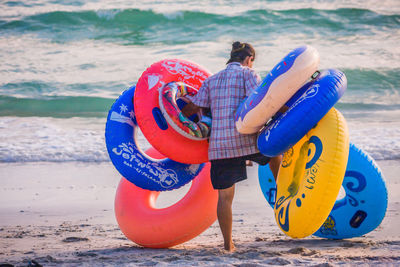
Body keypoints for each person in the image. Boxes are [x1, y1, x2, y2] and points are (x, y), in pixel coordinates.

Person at [182, 41, 282, 252]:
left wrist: (174, 115)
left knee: (225, 198)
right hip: (247, 141)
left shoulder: (211, 80)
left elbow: (193, 107)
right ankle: (281, 186)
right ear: (249, 59)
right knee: (276, 150)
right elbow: (259, 101)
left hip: (220, 146)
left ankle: (228, 245)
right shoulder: (248, 74)